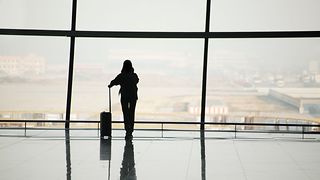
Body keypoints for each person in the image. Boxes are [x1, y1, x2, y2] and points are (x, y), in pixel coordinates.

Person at [108, 60, 139, 139]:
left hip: (124, 96)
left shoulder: (122, 75)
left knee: (125, 113)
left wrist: (110, 85)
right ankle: (131, 130)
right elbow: (137, 81)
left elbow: (115, 81)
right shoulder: (134, 75)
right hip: (133, 96)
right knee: (132, 112)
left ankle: (127, 129)